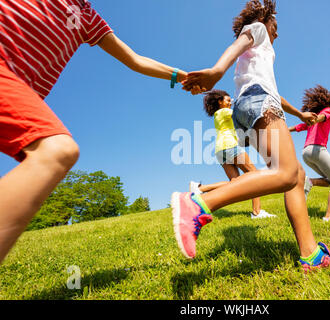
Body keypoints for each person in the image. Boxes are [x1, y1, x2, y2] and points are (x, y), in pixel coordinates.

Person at [0, 0, 190, 264]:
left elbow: (134, 60)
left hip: (15, 91)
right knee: (56, 151)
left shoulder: (87, 16)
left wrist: (181, 76)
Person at [172, 0, 330, 271]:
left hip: (251, 106)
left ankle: (311, 254)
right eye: (276, 26)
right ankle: (200, 203)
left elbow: (273, 93)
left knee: (295, 177)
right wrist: (216, 71)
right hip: (259, 104)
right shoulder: (258, 30)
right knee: (287, 173)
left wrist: (300, 116)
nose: (277, 33)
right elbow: (240, 43)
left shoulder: (258, 61)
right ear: (266, 20)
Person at [189, 89, 276, 219]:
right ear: (220, 102)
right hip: (230, 147)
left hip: (220, 150)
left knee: (234, 183)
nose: (231, 102)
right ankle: (257, 212)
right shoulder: (223, 112)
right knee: (254, 176)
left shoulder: (219, 115)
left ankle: (201, 188)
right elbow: (242, 113)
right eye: (228, 100)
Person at [289, 85, 330, 222]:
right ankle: (329, 216)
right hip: (317, 149)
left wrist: (284, 129)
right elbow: (323, 117)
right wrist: (317, 119)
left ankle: (310, 181)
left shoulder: (311, 118)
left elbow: (297, 127)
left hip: (306, 153)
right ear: (328, 101)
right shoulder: (328, 110)